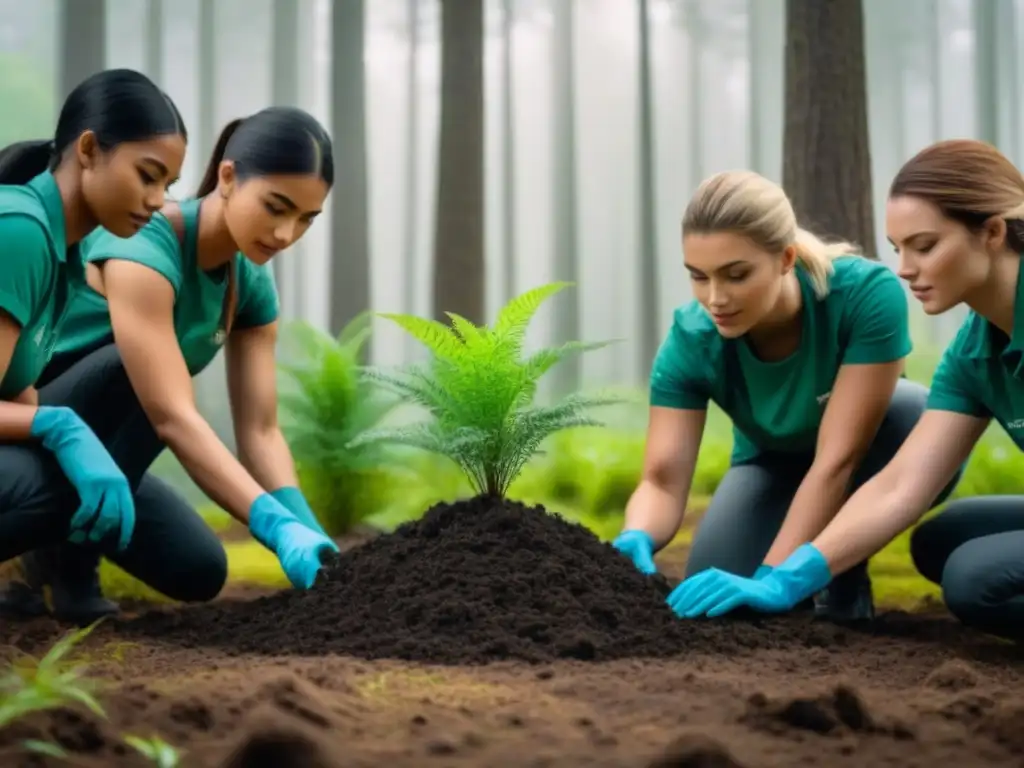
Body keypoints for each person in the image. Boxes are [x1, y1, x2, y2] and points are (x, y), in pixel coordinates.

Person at [664, 140, 1024, 636]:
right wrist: (789, 579)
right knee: (942, 541)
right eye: (899, 249)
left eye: (925, 246)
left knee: (975, 580)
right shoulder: (972, 353)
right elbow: (900, 485)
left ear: (992, 232)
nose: (904, 268)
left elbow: (843, 463)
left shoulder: (860, 296)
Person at [1, 106, 339, 623]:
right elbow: (170, 414)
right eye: (276, 207)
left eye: (306, 219)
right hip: (33, 423)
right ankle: (62, 566)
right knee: (137, 375)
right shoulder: (144, 243)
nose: (285, 233)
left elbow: (262, 430)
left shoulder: (247, 284)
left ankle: (66, 546)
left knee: (199, 570)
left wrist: (304, 529)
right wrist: (269, 524)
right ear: (228, 176)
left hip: (104, 452)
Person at [612, 169, 960, 623]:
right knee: (718, 580)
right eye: (699, 277)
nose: (715, 298)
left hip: (877, 450)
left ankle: (843, 564)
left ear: (785, 258)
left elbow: (838, 461)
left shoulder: (863, 295)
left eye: (736, 275)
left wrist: (777, 577)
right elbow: (661, 480)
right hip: (772, 463)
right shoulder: (691, 340)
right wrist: (636, 535)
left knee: (911, 412)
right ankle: (817, 559)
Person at [0, 68, 188, 620]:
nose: (157, 200)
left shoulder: (68, 255)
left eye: (168, 187)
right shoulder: (21, 233)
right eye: (147, 175)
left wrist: (49, 426)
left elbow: (15, 382)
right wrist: (60, 429)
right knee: (65, 493)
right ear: (88, 150)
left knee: (190, 562)